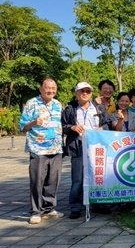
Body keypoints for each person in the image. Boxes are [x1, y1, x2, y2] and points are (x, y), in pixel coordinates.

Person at [62, 82, 111, 219]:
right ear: (76, 93)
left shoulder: (99, 108)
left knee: (98, 176)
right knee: (78, 178)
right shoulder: (70, 109)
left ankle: (98, 204)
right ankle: (75, 207)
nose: (85, 93)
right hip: (77, 145)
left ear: (91, 93)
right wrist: (72, 127)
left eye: (88, 91)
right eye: (81, 91)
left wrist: (101, 130)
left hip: (96, 146)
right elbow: (62, 126)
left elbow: (107, 123)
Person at [19, 77, 64, 224]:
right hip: (38, 148)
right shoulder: (31, 103)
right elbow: (22, 127)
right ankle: (36, 211)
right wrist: (34, 122)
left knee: (53, 180)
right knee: (37, 180)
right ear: (41, 89)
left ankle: (49, 208)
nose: (50, 91)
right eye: (47, 89)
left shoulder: (58, 104)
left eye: (53, 89)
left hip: (56, 148)